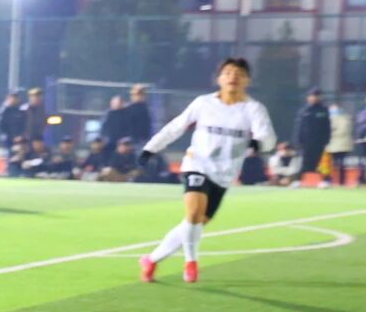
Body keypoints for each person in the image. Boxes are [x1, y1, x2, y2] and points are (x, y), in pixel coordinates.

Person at [138, 57, 275, 284]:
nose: (233, 77)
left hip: (224, 174)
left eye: (239, 74)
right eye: (228, 72)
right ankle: (191, 262)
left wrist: (258, 143)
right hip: (197, 164)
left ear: (247, 80)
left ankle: (151, 260)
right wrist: (150, 148)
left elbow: (268, 138)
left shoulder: (253, 109)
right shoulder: (203, 103)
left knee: (194, 223)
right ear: (219, 78)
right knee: (193, 213)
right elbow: (176, 127)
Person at [292, 87, 330, 188]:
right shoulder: (304, 111)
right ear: (308, 98)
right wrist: (297, 141)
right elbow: (298, 127)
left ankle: (324, 181)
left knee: (320, 162)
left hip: (319, 142)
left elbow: (327, 127)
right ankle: (298, 181)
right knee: (303, 161)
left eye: (317, 96)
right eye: (312, 96)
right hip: (306, 142)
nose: (314, 98)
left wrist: (327, 140)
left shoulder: (323, 110)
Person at [327, 100, 353, 187]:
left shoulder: (344, 118)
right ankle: (331, 181)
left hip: (342, 145)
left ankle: (341, 181)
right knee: (331, 164)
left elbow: (343, 130)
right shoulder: (329, 118)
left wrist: (330, 133)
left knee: (341, 164)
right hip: (332, 145)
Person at [0, 90, 25, 167]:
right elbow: (1, 125)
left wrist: (20, 135)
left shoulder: (19, 109)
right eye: (12, 97)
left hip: (19, 137)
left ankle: (18, 169)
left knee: (19, 154)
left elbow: (22, 123)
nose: (14, 99)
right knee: (10, 153)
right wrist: (11, 136)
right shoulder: (4, 110)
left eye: (15, 97)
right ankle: (10, 168)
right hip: (8, 137)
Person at [99, 95, 126, 160]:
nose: (116, 105)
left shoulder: (126, 114)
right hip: (109, 141)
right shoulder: (108, 114)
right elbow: (103, 128)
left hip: (122, 142)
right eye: (114, 103)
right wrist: (104, 139)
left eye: (118, 103)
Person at [356, 105, 366, 188]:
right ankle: (361, 179)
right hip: (363, 143)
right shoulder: (362, 113)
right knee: (362, 162)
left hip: (362, 142)